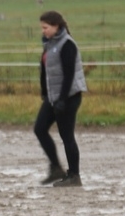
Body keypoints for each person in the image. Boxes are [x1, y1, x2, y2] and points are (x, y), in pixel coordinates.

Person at [34, 10, 87, 188]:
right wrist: (45, 92)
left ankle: (74, 175)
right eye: (42, 28)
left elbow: (69, 75)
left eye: (45, 27)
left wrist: (62, 100)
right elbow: (46, 71)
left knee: (67, 136)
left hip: (69, 96)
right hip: (53, 96)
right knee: (40, 129)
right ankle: (56, 168)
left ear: (56, 26)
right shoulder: (49, 44)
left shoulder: (67, 44)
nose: (43, 31)